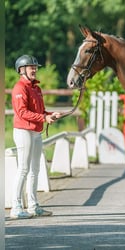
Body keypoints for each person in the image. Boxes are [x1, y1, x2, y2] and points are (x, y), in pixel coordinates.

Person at [10, 55, 62, 219]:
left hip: (36, 132)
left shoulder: (36, 89)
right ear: (22, 70)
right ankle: (16, 206)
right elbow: (23, 112)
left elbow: (40, 112)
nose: (35, 70)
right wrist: (44, 118)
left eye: (35, 67)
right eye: (31, 67)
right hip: (23, 131)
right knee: (24, 169)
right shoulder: (20, 88)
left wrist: (50, 115)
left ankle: (33, 206)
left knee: (35, 170)